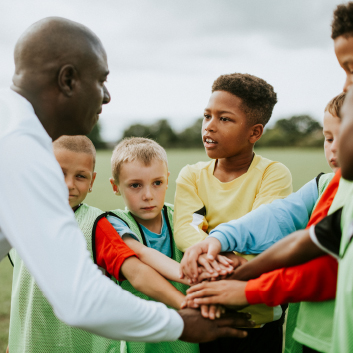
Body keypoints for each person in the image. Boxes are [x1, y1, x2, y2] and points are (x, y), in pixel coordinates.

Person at [0, 17, 252, 344]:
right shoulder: (24, 152)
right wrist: (182, 323)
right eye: (101, 80)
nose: (106, 96)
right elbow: (78, 297)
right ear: (68, 80)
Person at [8, 135, 206, 352]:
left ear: (91, 181)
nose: (69, 185)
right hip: (29, 343)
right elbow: (23, 291)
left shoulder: (98, 224)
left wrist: (200, 294)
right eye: (135, 185)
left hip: (166, 340)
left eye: (80, 176)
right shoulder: (18, 220)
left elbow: (138, 272)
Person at [182, 92, 345, 353]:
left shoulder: (274, 173)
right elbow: (277, 217)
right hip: (306, 335)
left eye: (346, 136)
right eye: (327, 138)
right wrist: (219, 239)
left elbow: (328, 270)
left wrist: (248, 289)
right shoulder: (324, 184)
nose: (334, 147)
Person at [174, 73, 293, 352]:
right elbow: (185, 228)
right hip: (208, 315)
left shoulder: (273, 174)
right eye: (207, 116)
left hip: (261, 319)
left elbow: (265, 231)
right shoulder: (191, 175)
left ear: (254, 132)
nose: (209, 127)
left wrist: (217, 257)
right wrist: (223, 260)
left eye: (224, 119)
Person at [105, 137, 236, 352]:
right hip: (141, 341)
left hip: (187, 339)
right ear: (115, 186)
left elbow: (208, 247)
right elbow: (143, 253)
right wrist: (196, 276)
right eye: (135, 185)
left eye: (157, 183)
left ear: (167, 180)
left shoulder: (182, 216)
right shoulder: (114, 222)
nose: (148, 195)